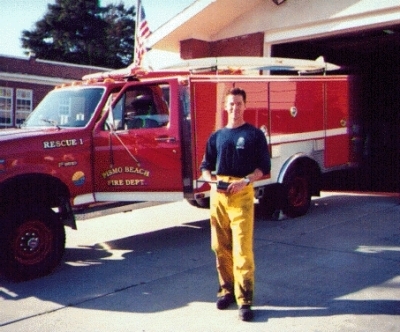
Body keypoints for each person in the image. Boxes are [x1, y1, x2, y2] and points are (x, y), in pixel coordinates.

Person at [200, 87, 271, 321]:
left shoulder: (254, 135)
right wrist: (212, 179)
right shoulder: (217, 136)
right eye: (230, 104)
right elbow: (205, 167)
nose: (234, 108)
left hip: (241, 193)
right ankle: (226, 291)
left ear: (245, 105)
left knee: (242, 249)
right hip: (218, 194)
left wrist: (245, 181)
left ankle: (245, 300)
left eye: (238, 103)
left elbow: (263, 169)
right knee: (219, 247)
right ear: (225, 106)